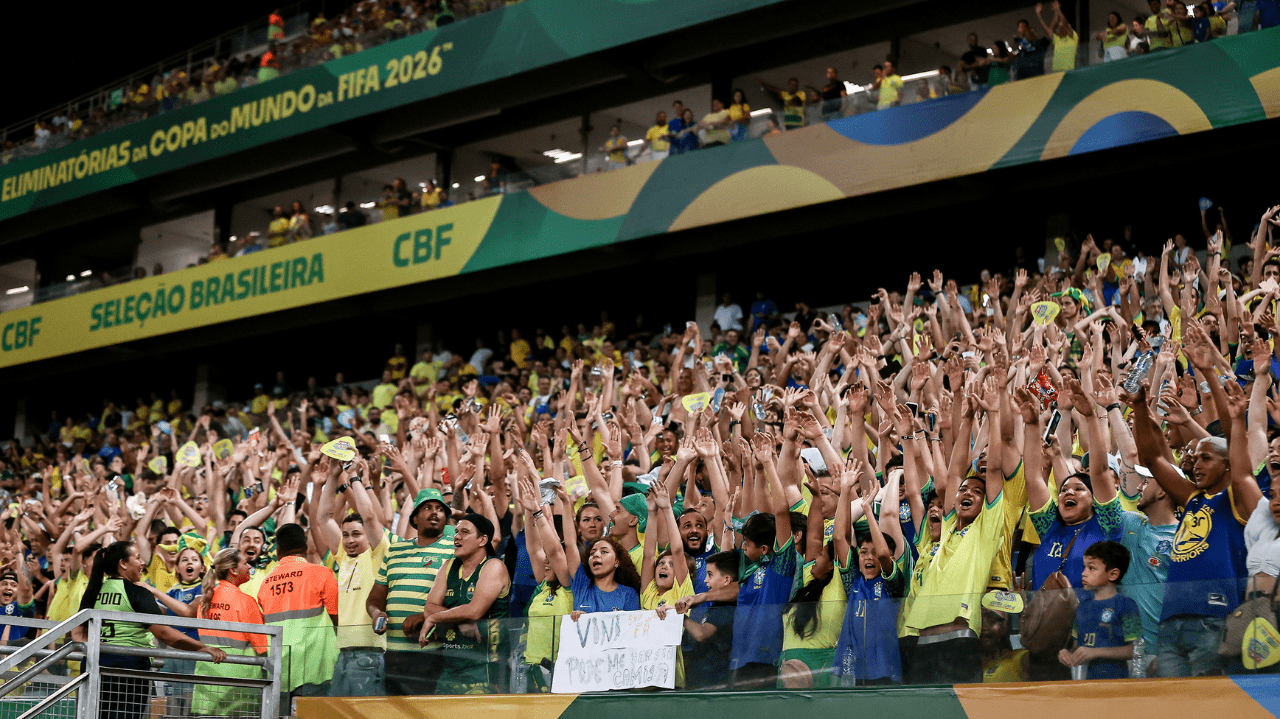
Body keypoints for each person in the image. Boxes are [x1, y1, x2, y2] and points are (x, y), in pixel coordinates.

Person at [72, 542, 226, 719]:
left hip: (93, 663)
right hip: (129, 667)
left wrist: (99, 646)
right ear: (123, 563)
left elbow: (77, 634)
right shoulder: (137, 592)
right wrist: (202, 647)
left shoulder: (93, 591)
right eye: (138, 558)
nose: (143, 562)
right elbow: (164, 634)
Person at [367, 488, 456, 695]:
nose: (434, 512)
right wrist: (376, 613)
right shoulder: (395, 550)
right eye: (427, 508)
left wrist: (426, 616)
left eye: (440, 509)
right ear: (414, 518)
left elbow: (461, 600)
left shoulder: (454, 549)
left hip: (431, 652)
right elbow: (374, 598)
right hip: (393, 654)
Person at [416, 513, 510, 694]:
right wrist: (460, 620)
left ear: (483, 540)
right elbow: (429, 608)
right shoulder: (448, 566)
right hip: (451, 669)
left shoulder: (493, 566)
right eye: (456, 531)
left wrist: (436, 618)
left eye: (465, 532)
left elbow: (474, 611)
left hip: (486, 670)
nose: (457, 537)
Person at [257, 523, 338, 697]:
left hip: (280, 671)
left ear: (278, 549)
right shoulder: (322, 573)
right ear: (305, 546)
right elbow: (338, 618)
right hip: (316, 669)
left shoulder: (266, 583)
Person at [194, 548, 269, 717]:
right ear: (233, 570)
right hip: (237, 688)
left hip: (207, 684)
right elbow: (262, 647)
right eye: (245, 563)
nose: (249, 566)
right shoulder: (246, 602)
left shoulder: (205, 601)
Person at [1060, 541, 1142, 679]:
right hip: (1084, 684)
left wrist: (1095, 652)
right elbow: (1077, 646)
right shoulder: (1082, 607)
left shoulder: (1126, 605)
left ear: (1113, 574)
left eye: (1091, 568)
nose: (1084, 573)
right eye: (1084, 567)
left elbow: (1135, 650)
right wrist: (1067, 654)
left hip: (1115, 685)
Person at [1036, 1, 1078, 72]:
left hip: (1068, 71)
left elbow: (1065, 23)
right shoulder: (1057, 39)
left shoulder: (1073, 37)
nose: (1059, 28)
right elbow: (1048, 29)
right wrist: (1039, 15)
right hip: (1056, 72)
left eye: (1061, 27)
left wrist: (1058, 10)